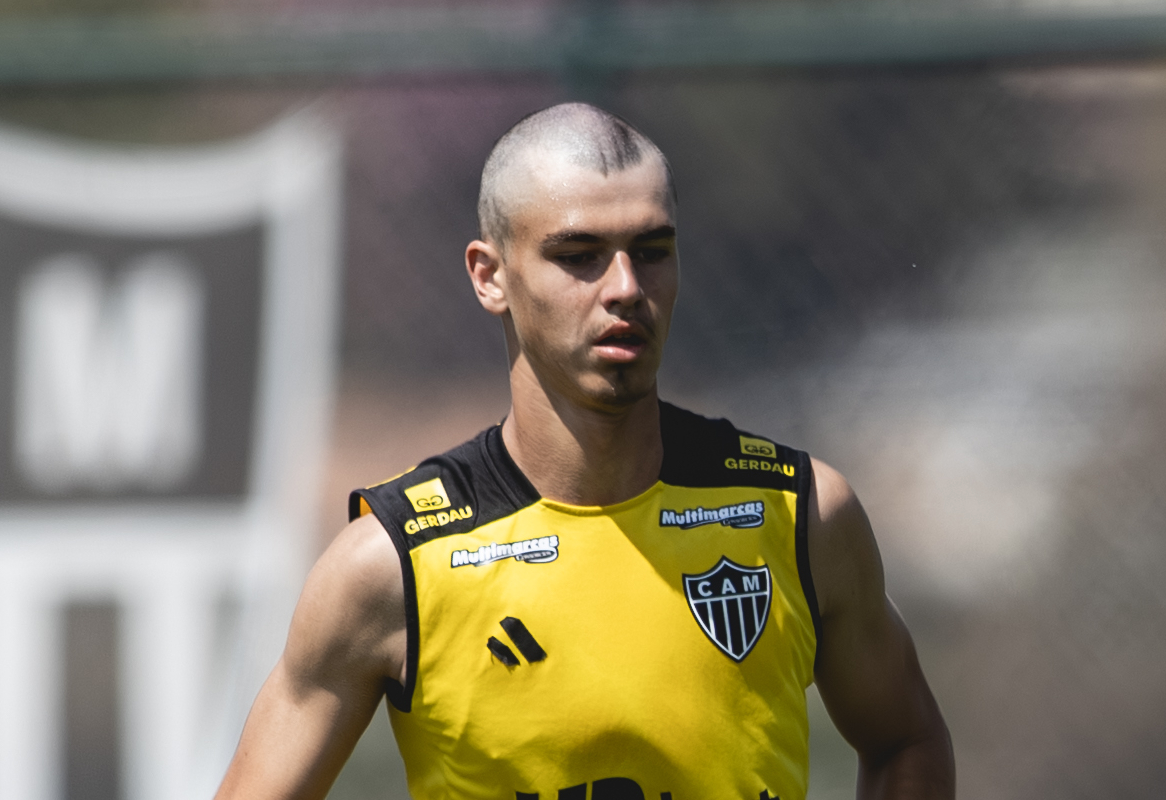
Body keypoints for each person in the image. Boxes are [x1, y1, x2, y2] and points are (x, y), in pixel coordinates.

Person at [215, 102, 954, 800]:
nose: (626, 288)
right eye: (580, 256)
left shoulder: (800, 516)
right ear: (490, 275)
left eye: (651, 251)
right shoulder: (387, 566)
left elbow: (906, 743)